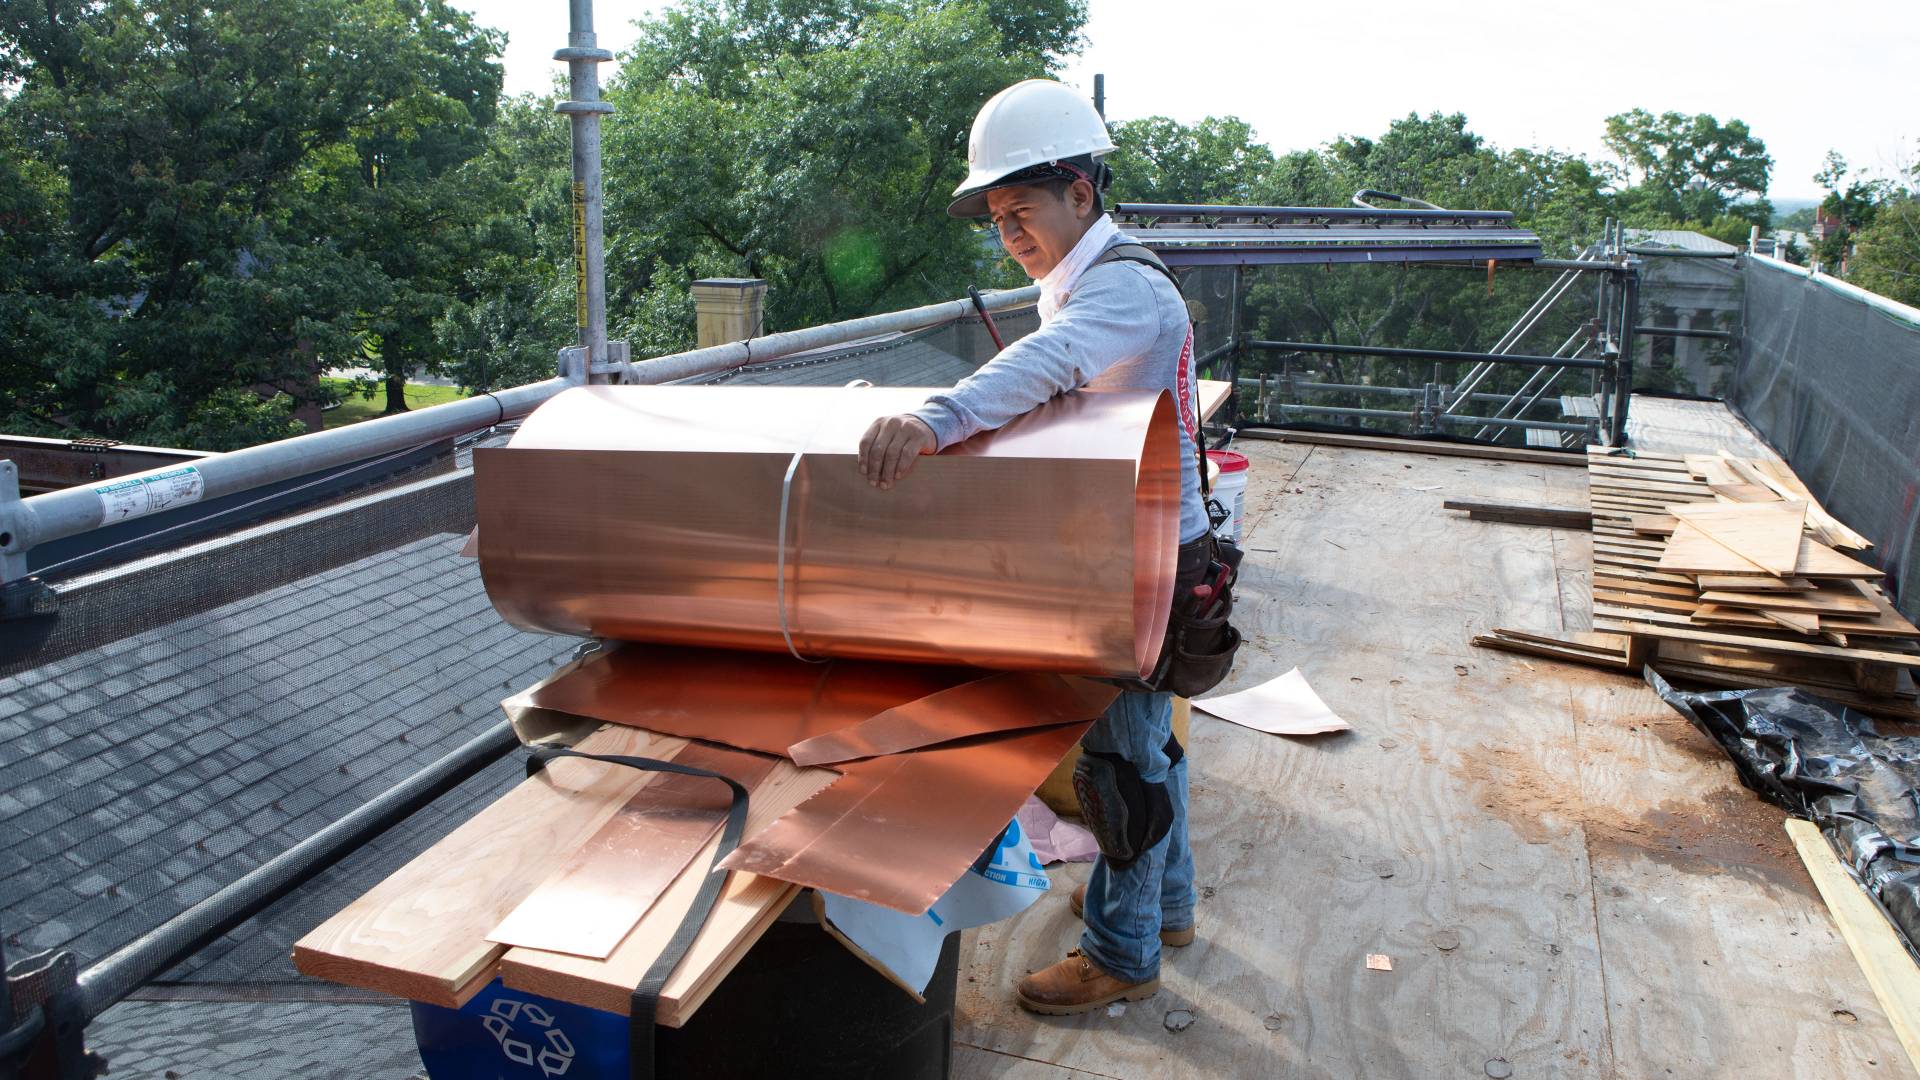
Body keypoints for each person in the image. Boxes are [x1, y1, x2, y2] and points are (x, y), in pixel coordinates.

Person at [856, 78, 1208, 1015]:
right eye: (999, 217)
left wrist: (938, 419)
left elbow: (1049, 366)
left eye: (1023, 210)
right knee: (1151, 751)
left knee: (1120, 769)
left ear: (1081, 195)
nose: (1010, 233)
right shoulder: (1090, 278)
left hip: (1147, 560)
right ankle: (1169, 907)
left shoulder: (1121, 289)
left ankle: (1122, 954)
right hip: (1155, 544)